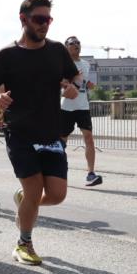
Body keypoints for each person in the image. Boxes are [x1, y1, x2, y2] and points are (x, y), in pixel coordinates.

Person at [0, 0, 80, 266]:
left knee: (58, 195)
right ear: (23, 19)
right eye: (39, 19)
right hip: (21, 132)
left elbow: (72, 78)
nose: (45, 25)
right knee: (35, 189)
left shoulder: (57, 50)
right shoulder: (7, 55)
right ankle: (24, 242)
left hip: (51, 133)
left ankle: (24, 200)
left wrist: (72, 87)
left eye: (48, 19)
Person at [59, 36, 102, 186]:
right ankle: (59, 172)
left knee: (89, 138)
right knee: (62, 141)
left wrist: (90, 84)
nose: (76, 45)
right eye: (72, 43)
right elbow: (58, 81)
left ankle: (91, 173)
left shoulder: (86, 64)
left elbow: (84, 82)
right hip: (66, 107)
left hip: (83, 106)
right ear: (66, 47)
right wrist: (65, 85)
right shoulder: (62, 64)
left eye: (78, 43)